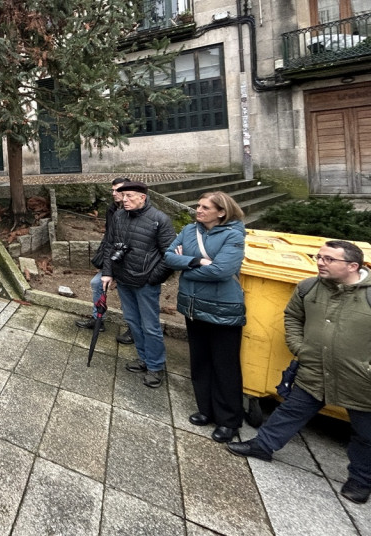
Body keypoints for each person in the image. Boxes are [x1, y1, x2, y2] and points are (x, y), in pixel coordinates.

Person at [227, 240, 371, 504]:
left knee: (366, 433)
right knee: (292, 410)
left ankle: (361, 481)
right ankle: (263, 446)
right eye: (319, 257)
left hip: (361, 379)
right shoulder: (309, 287)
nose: (320, 262)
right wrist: (299, 347)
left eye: (329, 259)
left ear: (353, 266)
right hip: (315, 367)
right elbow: (293, 316)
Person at [164, 192, 246, 443]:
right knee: (200, 361)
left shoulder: (233, 234)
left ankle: (229, 420)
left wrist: (186, 268)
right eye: (197, 205)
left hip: (222, 308)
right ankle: (206, 410)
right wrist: (198, 261)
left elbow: (223, 270)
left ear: (221, 212)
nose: (198, 210)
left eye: (205, 207)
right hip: (193, 306)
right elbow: (168, 256)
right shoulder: (190, 230)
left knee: (225, 365)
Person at [100, 181, 175, 388]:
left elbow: (170, 255)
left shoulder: (160, 220)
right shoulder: (119, 216)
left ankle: (155, 366)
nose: (124, 200)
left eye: (130, 196)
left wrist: (153, 278)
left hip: (146, 283)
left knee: (150, 326)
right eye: (123, 196)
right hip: (124, 279)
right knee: (133, 322)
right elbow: (109, 245)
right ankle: (143, 358)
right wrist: (107, 272)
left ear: (143, 197)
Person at [75, 177, 134, 345]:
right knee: (96, 283)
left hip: (131, 263)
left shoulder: (138, 212)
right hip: (113, 257)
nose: (114, 193)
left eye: (118, 190)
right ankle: (97, 319)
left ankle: (133, 328)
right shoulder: (112, 209)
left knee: (127, 294)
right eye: (113, 190)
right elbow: (109, 237)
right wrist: (108, 266)